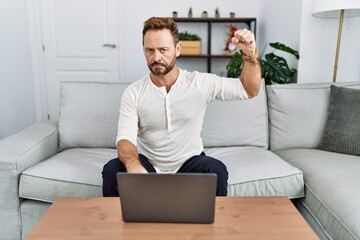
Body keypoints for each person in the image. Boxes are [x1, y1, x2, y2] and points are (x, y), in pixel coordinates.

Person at [102, 17, 261, 197]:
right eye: (149, 50)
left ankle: (211, 225)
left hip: (190, 163)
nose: (156, 57)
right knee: (112, 170)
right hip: (149, 165)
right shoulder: (134, 92)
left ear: (177, 49)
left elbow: (249, 90)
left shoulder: (199, 82)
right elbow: (125, 139)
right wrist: (134, 166)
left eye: (163, 50)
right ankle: (117, 224)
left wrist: (249, 53)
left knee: (216, 169)